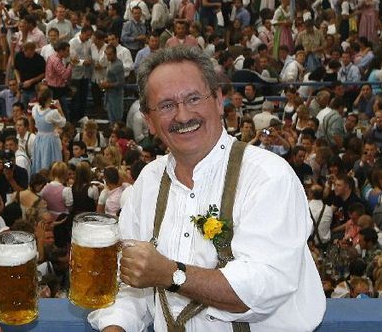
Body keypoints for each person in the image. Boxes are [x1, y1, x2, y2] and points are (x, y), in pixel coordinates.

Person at [88, 46, 325, 331]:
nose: (183, 115)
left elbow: (261, 289)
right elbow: (129, 285)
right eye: (166, 105)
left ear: (218, 100)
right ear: (149, 121)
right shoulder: (148, 182)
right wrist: (115, 326)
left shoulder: (267, 176)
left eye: (193, 98)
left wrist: (171, 274)